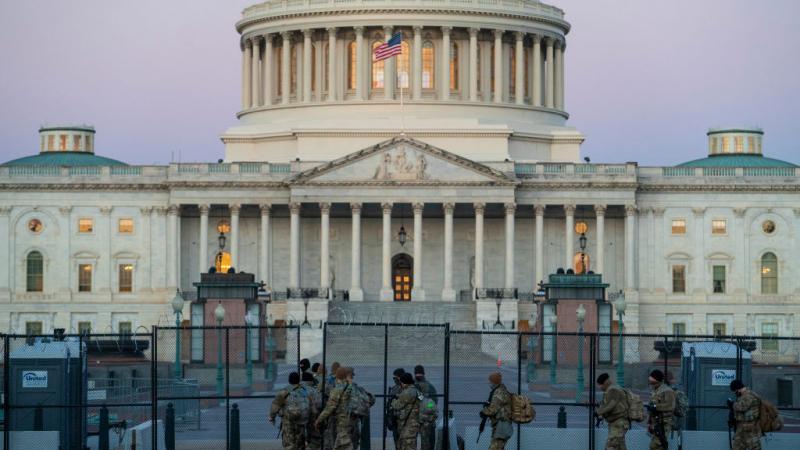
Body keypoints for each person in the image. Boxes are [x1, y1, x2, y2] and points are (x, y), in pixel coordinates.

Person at [315, 367, 354, 450]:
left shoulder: (337, 390)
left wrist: (319, 420)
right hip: (353, 421)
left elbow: (329, 408)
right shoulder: (352, 387)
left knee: (344, 445)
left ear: (337, 376)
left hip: (342, 422)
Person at [269, 372, 308, 450]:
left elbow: (275, 406)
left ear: (289, 380)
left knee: (289, 445)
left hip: (288, 423)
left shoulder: (284, 392)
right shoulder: (304, 391)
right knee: (300, 445)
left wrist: (272, 417)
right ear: (298, 380)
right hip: (301, 422)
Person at [595, 373, 629, 450]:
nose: (599, 387)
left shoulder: (613, 390)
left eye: (600, 384)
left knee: (611, 445)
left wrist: (598, 412)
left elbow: (611, 405)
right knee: (620, 446)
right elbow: (607, 403)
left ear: (604, 383)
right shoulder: (612, 389)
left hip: (619, 423)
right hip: (617, 423)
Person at [480, 372, 513, 450]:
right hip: (501, 426)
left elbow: (493, 409)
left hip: (502, 426)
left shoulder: (498, 392)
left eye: (490, 382)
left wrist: (483, 412)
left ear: (494, 382)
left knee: (494, 448)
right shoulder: (501, 390)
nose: (489, 383)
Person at [346, 367, 375, 449]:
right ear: (352, 376)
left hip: (343, 425)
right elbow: (372, 399)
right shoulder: (358, 389)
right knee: (354, 445)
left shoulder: (340, 388)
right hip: (355, 424)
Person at [729, 379, 762, 450]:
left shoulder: (748, 395)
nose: (735, 393)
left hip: (750, 427)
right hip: (742, 427)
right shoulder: (744, 395)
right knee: (737, 447)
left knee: (754, 447)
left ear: (738, 388)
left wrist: (732, 404)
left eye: (735, 391)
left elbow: (742, 407)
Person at [647, 369, 675, 450]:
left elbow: (671, 406)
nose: (651, 385)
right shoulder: (655, 391)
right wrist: (649, 421)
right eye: (650, 383)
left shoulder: (667, 391)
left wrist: (656, 407)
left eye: (653, 383)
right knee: (657, 446)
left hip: (664, 423)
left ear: (659, 381)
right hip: (656, 422)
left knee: (656, 445)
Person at [391, 372, 421, 450]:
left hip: (407, 425)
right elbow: (424, 402)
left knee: (406, 445)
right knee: (412, 444)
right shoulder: (418, 391)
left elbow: (397, 406)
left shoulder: (406, 392)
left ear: (404, 383)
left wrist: (393, 400)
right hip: (415, 424)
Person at [414, 365, 438, 450]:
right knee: (428, 443)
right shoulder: (430, 387)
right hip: (427, 419)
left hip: (414, 419)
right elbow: (434, 403)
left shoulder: (411, 387)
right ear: (424, 374)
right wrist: (427, 405)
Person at [302, 371, 324, 450]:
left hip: (298, 418)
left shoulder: (296, 389)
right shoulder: (313, 390)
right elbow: (320, 404)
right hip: (311, 418)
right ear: (311, 380)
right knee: (314, 439)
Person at [387, 368, 406, 446]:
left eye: (395, 378)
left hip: (405, 420)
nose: (394, 380)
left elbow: (421, 399)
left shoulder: (411, 388)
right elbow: (389, 405)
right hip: (396, 419)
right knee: (398, 441)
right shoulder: (394, 389)